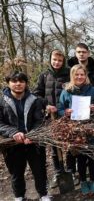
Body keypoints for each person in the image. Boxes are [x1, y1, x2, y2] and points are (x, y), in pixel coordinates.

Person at [0, 72, 51, 201]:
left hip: (34, 141)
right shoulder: (1, 101)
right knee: (16, 172)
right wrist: (13, 132)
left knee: (39, 170)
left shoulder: (35, 100)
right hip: (11, 143)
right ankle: (19, 196)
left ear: (26, 83)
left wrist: (32, 135)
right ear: (8, 83)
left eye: (21, 81)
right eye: (14, 81)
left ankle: (43, 194)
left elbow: (39, 120)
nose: (18, 84)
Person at [58, 64, 94, 195]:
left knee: (93, 156)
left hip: (92, 128)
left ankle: (93, 180)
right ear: (72, 76)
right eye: (76, 74)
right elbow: (60, 109)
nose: (79, 77)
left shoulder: (93, 90)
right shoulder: (66, 91)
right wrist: (65, 112)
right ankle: (84, 181)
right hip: (75, 130)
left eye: (82, 74)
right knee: (81, 158)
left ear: (86, 76)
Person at [33, 49, 70, 188]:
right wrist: (46, 105)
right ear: (50, 59)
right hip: (50, 117)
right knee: (55, 146)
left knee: (70, 143)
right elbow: (36, 94)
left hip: (65, 115)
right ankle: (58, 171)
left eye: (60, 60)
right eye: (54, 59)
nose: (57, 62)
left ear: (63, 61)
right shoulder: (44, 75)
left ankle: (71, 169)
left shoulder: (68, 74)